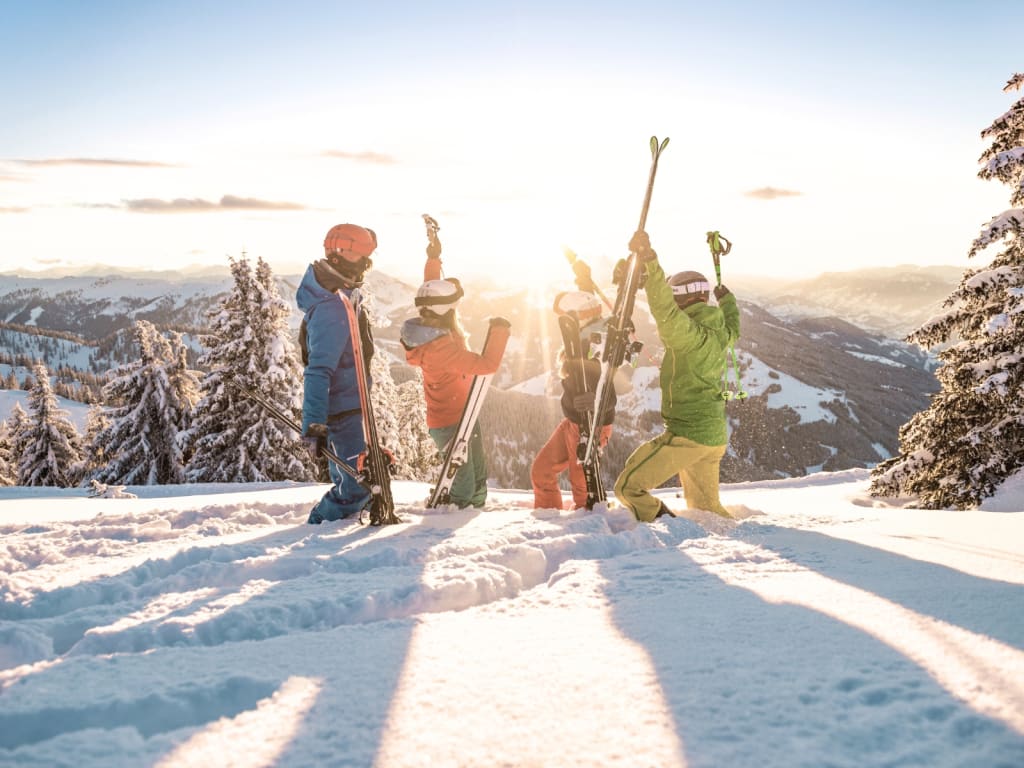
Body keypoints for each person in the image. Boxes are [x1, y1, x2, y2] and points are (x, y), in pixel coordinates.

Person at [613, 229, 740, 522]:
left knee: (628, 488)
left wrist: (651, 262)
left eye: (675, 294)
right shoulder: (721, 333)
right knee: (706, 510)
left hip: (689, 435)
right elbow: (734, 326)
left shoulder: (690, 335)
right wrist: (728, 301)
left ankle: (663, 523)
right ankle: (728, 542)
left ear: (682, 298)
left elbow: (665, 312)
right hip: (713, 437)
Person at [400, 235, 510, 509]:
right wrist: (500, 331)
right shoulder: (439, 348)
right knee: (464, 479)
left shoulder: (433, 328)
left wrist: (433, 259)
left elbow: (430, 292)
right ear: (447, 309)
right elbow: (487, 366)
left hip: (464, 414)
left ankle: (476, 509)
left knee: (478, 473)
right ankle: (454, 516)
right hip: (450, 422)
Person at [297, 223, 378, 524]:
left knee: (363, 480)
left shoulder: (343, 296)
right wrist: (314, 424)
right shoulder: (332, 306)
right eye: (361, 258)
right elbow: (317, 371)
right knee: (354, 489)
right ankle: (317, 527)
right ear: (339, 256)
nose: (367, 266)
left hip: (352, 407)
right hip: (342, 412)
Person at [531, 291, 616, 510]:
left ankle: (588, 527)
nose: (563, 324)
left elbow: (610, 389)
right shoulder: (578, 340)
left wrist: (596, 400)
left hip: (591, 424)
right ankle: (547, 516)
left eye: (567, 319)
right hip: (573, 421)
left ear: (581, 317)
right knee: (542, 471)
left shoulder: (598, 344)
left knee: (583, 485)